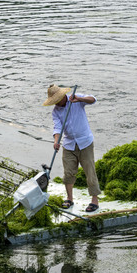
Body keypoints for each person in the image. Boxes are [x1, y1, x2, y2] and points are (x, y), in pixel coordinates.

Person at [43, 84, 101, 212]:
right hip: (69, 144)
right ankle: (70, 199)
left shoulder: (76, 99)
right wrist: (56, 141)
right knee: (68, 172)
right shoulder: (56, 111)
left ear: (63, 96)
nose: (56, 103)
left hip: (85, 141)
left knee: (89, 170)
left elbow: (93, 99)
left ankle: (94, 200)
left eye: (58, 100)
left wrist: (79, 99)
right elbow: (58, 128)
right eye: (54, 101)